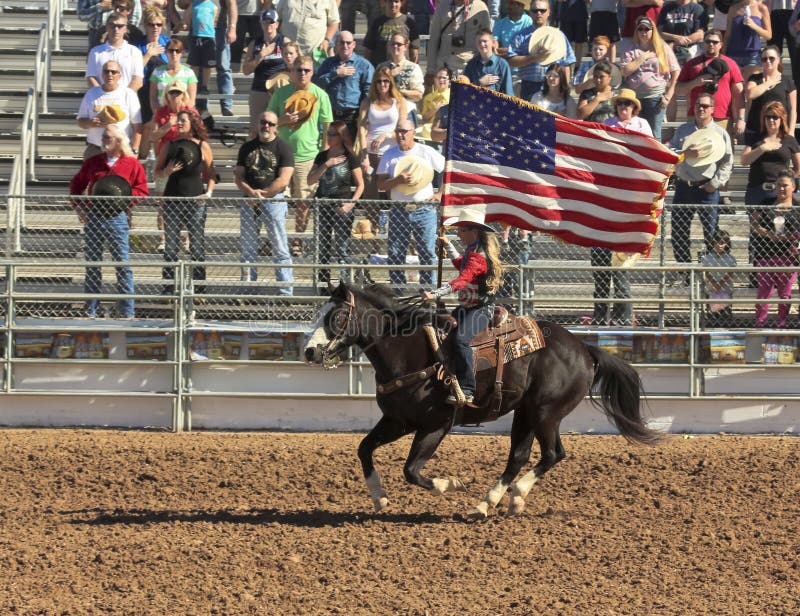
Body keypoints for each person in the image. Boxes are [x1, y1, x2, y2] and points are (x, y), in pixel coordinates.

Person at [421, 209, 503, 406]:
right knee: (441, 332)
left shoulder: (479, 257)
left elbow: (462, 279)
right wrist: (449, 246)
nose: (458, 234)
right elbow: (462, 265)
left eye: (461, 230)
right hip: (466, 308)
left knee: (460, 341)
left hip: (480, 310)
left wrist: (435, 294)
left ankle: (468, 389)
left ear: (473, 231)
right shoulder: (472, 250)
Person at [69, 125, 148, 319]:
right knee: (93, 266)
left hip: (117, 217)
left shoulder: (131, 164)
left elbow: (142, 190)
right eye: (103, 137)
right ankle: (90, 311)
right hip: (94, 215)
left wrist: (124, 199)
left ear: (119, 141)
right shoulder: (93, 162)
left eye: (108, 137)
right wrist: (79, 207)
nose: (104, 140)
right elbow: (76, 184)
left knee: (122, 265)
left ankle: (127, 312)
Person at [267, 55, 334, 256]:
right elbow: (268, 122)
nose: (302, 73)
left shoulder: (320, 94)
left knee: (303, 201)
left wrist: (323, 153)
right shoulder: (281, 93)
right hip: (281, 156)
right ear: (292, 71)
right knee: (276, 200)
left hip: (308, 155)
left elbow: (328, 125)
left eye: (306, 70)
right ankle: (277, 240)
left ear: (312, 72)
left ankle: (298, 241)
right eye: (299, 70)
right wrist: (283, 120)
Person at [668, 93, 733, 283]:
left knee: (712, 234)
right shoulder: (683, 130)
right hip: (684, 188)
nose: (701, 108)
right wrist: (685, 152)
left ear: (713, 109)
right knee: (678, 232)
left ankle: (711, 274)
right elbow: (671, 153)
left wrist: (715, 184)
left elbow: (727, 162)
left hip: (707, 190)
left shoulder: (721, 133)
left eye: (705, 105)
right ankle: (686, 273)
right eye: (698, 105)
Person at [377, 118, 445, 287]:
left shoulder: (426, 151)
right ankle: (398, 291)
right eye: (398, 131)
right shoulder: (389, 154)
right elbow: (380, 185)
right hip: (399, 209)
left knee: (427, 252)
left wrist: (440, 193)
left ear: (413, 133)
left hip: (424, 208)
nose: (401, 135)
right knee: (396, 252)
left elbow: (447, 169)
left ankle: (427, 293)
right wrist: (397, 180)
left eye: (405, 131)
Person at [155, 109, 216, 294]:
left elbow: (212, 173)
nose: (179, 123)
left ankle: (199, 289)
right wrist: (166, 172)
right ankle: (168, 287)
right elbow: (156, 171)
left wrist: (209, 192)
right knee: (171, 247)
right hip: (173, 200)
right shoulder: (169, 145)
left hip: (195, 201)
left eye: (183, 120)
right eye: (178, 120)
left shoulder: (202, 145)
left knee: (197, 246)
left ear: (192, 123)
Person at [234, 110, 295, 293]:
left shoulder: (283, 147)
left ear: (276, 127)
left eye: (270, 123)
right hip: (249, 201)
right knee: (248, 250)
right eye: (263, 122)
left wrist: (263, 195)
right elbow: (238, 176)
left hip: (274, 201)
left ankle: (285, 292)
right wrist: (250, 193)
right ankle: (248, 290)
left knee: (280, 249)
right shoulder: (247, 147)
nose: (266, 126)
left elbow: (284, 179)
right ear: (258, 124)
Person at [307, 121, 365, 285]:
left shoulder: (350, 157)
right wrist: (326, 164)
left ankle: (344, 284)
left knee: (342, 247)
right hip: (323, 205)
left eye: (333, 134)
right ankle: (323, 284)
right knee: (322, 247)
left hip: (342, 206)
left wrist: (350, 204)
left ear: (341, 136)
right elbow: (310, 180)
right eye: (328, 134)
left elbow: (361, 185)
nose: (329, 137)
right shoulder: (322, 156)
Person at [750, 170, 800, 328]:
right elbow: (754, 223)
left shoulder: (798, 206)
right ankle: (760, 322)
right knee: (764, 292)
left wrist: (789, 237)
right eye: (778, 185)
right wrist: (767, 234)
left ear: (793, 187)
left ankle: (782, 322)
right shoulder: (766, 202)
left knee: (784, 294)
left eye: (785, 185)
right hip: (766, 254)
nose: (781, 189)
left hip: (789, 257)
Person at [676, 30, 746, 136]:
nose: (711, 44)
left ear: (721, 44)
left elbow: (739, 93)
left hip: (722, 118)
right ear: (703, 43)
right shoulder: (692, 64)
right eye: (708, 41)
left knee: (722, 151)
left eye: (715, 42)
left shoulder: (730, 63)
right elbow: (677, 89)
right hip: (696, 117)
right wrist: (695, 83)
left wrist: (740, 118)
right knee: (694, 150)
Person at [620, 15, 679, 140]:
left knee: (654, 134)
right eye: (640, 29)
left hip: (655, 98)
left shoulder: (662, 47)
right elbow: (625, 71)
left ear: (653, 30)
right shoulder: (631, 49)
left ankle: (657, 159)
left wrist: (668, 95)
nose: (643, 32)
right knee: (636, 133)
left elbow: (675, 70)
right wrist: (643, 57)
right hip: (635, 98)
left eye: (646, 29)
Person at [357, 66, 408, 207]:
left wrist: (385, 135)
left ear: (391, 82)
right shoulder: (368, 102)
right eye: (379, 81)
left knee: (394, 193)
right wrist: (364, 155)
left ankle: (394, 227)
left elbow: (403, 128)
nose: (382, 84)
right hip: (371, 154)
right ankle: (372, 227)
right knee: (370, 195)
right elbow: (361, 129)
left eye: (386, 81)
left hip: (391, 153)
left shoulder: (399, 101)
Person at [506, 0, 576, 101]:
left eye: (542, 10)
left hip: (555, 86)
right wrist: (535, 57)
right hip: (529, 86)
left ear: (548, 12)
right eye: (535, 10)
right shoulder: (520, 36)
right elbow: (511, 61)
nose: (539, 13)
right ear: (530, 12)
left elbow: (567, 62)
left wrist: (565, 88)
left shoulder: (559, 35)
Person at [314, 30, 375, 141]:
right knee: (330, 149)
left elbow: (369, 92)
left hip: (352, 116)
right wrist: (335, 74)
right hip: (330, 114)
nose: (345, 46)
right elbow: (316, 84)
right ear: (336, 44)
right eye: (341, 42)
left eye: (348, 42)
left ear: (354, 44)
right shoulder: (328, 63)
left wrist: (364, 115)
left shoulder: (363, 65)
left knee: (351, 151)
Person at [77, 60, 143, 159]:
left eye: (113, 72)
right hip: (96, 150)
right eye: (106, 71)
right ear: (102, 74)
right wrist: (90, 123)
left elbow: (137, 126)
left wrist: (134, 149)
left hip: (121, 150)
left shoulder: (128, 94)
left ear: (119, 75)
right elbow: (80, 121)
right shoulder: (91, 93)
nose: (110, 74)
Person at [741, 101, 800, 207]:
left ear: (781, 119)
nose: (771, 120)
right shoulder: (755, 138)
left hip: (780, 192)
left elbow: (798, 167)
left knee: (780, 223)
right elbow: (744, 161)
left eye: (775, 117)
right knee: (756, 223)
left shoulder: (789, 140)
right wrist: (762, 148)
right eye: (767, 117)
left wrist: (787, 183)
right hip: (756, 190)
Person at [241, 8, 286, 137]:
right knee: (256, 129)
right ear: (261, 24)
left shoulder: (284, 41)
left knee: (279, 128)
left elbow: (293, 64)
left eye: (271, 22)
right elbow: (245, 71)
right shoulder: (254, 43)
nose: (268, 25)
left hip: (278, 90)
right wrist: (260, 56)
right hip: (259, 89)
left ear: (277, 24)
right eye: (265, 22)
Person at [134, 6, 171, 158]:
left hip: (162, 93)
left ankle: (159, 162)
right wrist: (148, 55)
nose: (155, 28)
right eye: (151, 24)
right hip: (142, 92)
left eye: (158, 24)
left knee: (160, 130)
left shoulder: (168, 43)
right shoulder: (137, 45)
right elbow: (134, 71)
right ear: (145, 25)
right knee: (144, 129)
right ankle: (142, 162)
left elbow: (175, 69)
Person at [427, 0, 491, 84]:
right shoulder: (443, 6)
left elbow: (487, 38)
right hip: (445, 66)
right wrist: (430, 71)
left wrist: (487, 67)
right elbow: (433, 40)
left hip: (471, 67)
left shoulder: (480, 7)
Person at [744, 45, 797, 146]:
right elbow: (750, 94)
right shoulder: (754, 78)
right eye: (764, 59)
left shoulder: (787, 81)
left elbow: (793, 110)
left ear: (778, 60)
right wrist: (769, 83)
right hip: (756, 129)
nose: (768, 61)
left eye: (771, 58)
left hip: (779, 131)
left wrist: (791, 131)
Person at [86, 13, 145, 92]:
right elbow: (91, 78)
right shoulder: (95, 52)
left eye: (120, 26)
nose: (116, 29)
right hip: (102, 101)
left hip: (127, 102)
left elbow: (137, 80)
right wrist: (103, 96)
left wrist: (123, 98)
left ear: (126, 28)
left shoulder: (134, 52)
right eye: (112, 25)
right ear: (107, 27)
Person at [378, 32, 424, 120]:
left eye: (399, 44)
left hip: (406, 112)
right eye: (393, 44)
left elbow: (419, 94)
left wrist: (400, 91)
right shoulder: (381, 67)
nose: (395, 46)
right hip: (384, 112)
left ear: (406, 47)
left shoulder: (413, 67)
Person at [362, 0, 421, 67]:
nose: (393, 4)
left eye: (396, 1)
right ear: (384, 3)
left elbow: (414, 51)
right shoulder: (377, 22)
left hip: (402, 70)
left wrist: (412, 69)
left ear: (401, 3)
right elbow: (368, 49)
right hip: (381, 71)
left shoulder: (409, 22)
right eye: (390, 1)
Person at [725, 0, 772, 81]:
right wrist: (723, 51)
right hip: (733, 54)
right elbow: (728, 34)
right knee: (735, 88)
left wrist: (754, 26)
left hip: (753, 55)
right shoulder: (733, 8)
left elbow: (768, 35)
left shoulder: (761, 8)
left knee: (750, 87)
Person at [493, 0, 533, 96]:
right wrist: (516, 51)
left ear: (520, 6)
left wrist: (506, 51)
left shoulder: (530, 22)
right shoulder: (500, 23)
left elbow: (529, 49)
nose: (508, 5)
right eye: (508, 2)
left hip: (523, 73)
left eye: (511, 3)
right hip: (503, 72)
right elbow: (494, 46)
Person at [273, 0, 339, 57]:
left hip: (315, 50)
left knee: (313, 71)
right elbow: (276, 19)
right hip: (289, 51)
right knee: (287, 71)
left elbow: (334, 22)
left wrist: (326, 41)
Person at [701, 229, 737, 327]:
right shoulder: (707, 258)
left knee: (725, 312)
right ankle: (712, 324)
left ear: (727, 244)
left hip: (726, 288)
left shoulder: (731, 258)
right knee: (713, 313)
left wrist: (720, 283)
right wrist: (714, 283)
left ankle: (726, 326)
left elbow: (730, 273)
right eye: (716, 242)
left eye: (722, 243)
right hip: (711, 289)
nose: (719, 245)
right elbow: (707, 272)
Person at [464, 28, 514, 97]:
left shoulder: (502, 64)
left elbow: (508, 93)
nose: (482, 44)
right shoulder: (471, 65)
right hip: (475, 105)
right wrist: (479, 83)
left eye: (485, 41)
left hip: (496, 105)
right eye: (479, 42)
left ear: (493, 43)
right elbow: (464, 90)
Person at [186, 0, 218, 100]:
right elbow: (187, 20)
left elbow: (212, 21)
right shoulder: (193, 4)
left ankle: (204, 86)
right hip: (196, 36)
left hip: (209, 37)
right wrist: (183, 24)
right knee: (194, 64)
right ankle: (193, 85)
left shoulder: (214, 6)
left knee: (207, 65)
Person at [419, 67, 451, 140]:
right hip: (431, 132)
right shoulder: (428, 98)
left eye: (444, 78)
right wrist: (435, 109)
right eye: (439, 77)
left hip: (447, 132)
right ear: (435, 79)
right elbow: (425, 118)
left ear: (449, 80)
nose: (441, 80)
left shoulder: (455, 97)